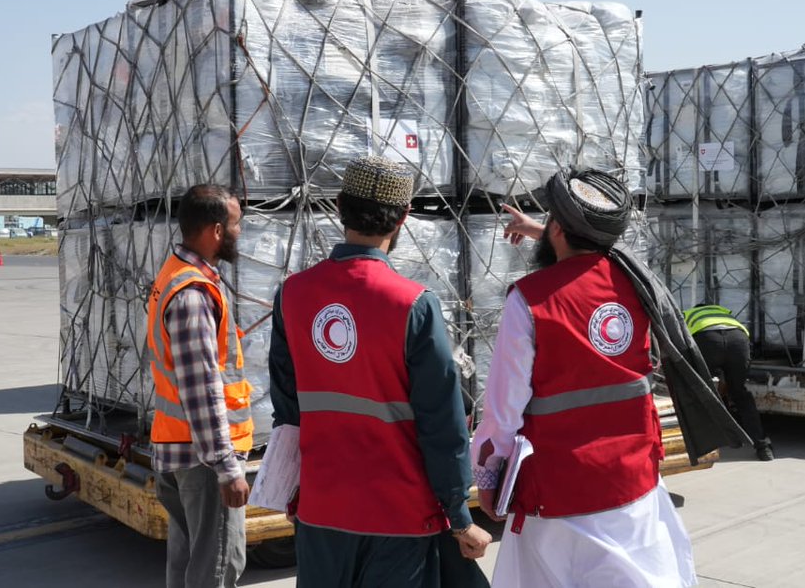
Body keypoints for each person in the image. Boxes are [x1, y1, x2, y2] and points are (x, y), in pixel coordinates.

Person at [268, 155, 492, 588]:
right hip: (399, 515)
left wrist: (289, 488)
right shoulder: (413, 303)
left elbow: (287, 409)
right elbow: (441, 423)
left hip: (321, 512)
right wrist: (459, 516)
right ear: (403, 219)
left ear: (339, 208)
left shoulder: (292, 294)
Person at [474, 171, 698, 587]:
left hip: (558, 488)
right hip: (633, 478)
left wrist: (488, 472)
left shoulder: (529, 299)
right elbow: (592, 263)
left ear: (557, 229)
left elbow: (504, 408)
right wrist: (543, 230)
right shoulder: (639, 283)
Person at [146, 184, 254, 588]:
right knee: (217, 568)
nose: (240, 232)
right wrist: (227, 468)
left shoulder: (172, 273)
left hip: (178, 448)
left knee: (188, 562)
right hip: (203, 461)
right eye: (236, 224)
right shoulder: (192, 293)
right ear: (215, 231)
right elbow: (201, 389)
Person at [684, 304, 773, 461]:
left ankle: (700, 445)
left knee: (699, 391)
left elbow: (679, 342)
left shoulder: (688, 314)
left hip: (707, 340)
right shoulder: (725, 312)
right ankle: (763, 448)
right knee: (739, 393)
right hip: (738, 340)